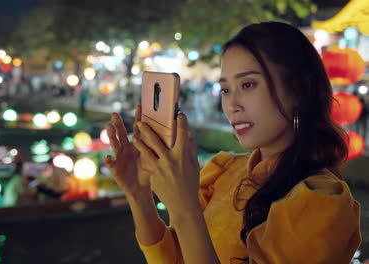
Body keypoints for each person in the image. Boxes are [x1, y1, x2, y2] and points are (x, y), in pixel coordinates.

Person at [105, 22, 361, 264]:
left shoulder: (321, 201)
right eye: (226, 90)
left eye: (248, 85)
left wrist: (184, 207)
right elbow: (176, 258)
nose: (232, 105)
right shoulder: (223, 172)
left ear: (298, 90)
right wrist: (139, 196)